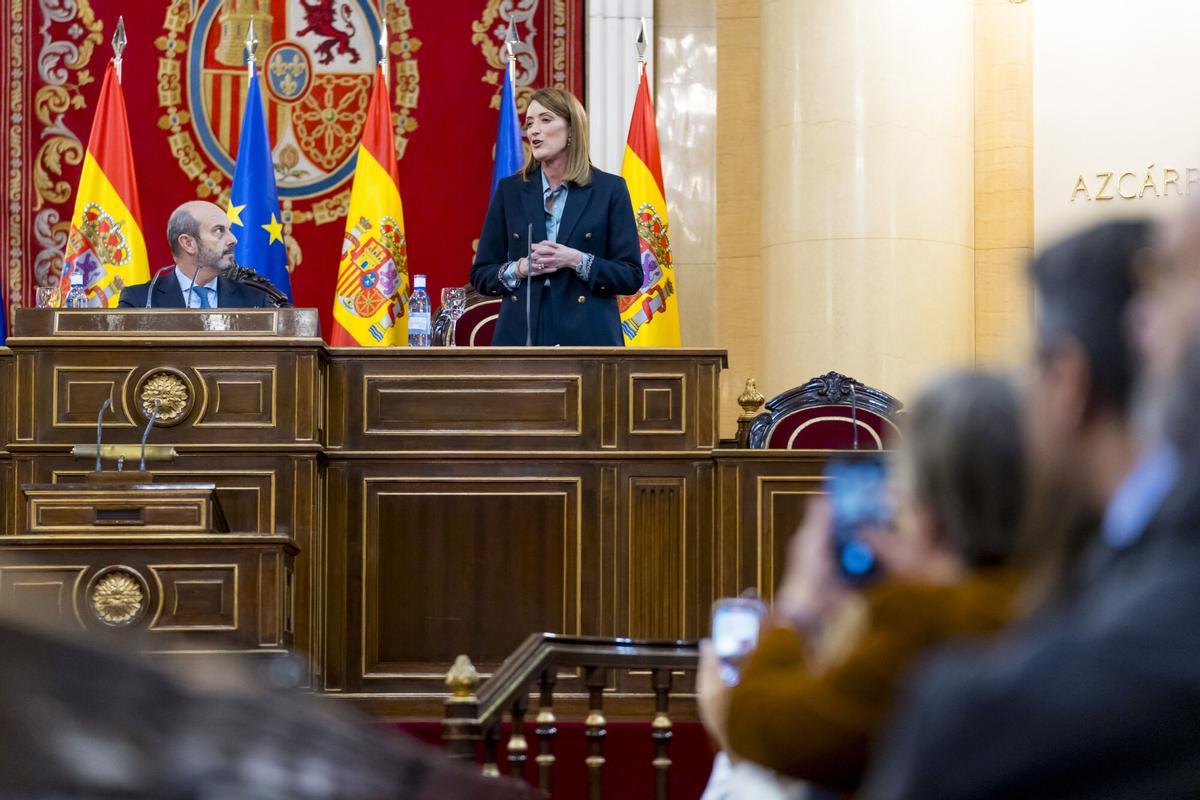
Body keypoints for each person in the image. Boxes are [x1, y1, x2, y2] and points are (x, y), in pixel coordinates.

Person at [861, 218, 1200, 799]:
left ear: (1068, 383)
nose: (1141, 325)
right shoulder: (1117, 551)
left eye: (1165, 281)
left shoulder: (962, 711)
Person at [696, 370, 1027, 797]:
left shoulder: (922, 620)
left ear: (923, 509)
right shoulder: (1066, 596)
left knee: (744, 782)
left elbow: (759, 727)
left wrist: (799, 602)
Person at [470, 87, 643, 346]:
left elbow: (630, 276)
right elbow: (481, 275)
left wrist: (576, 260)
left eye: (545, 119)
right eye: (529, 123)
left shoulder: (609, 190)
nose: (534, 130)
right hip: (522, 337)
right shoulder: (510, 190)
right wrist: (519, 268)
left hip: (587, 338)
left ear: (572, 129)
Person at [118, 200, 272, 309]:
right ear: (188, 244)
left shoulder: (255, 300)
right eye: (219, 230)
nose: (233, 240)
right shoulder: (139, 300)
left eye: (229, 230)